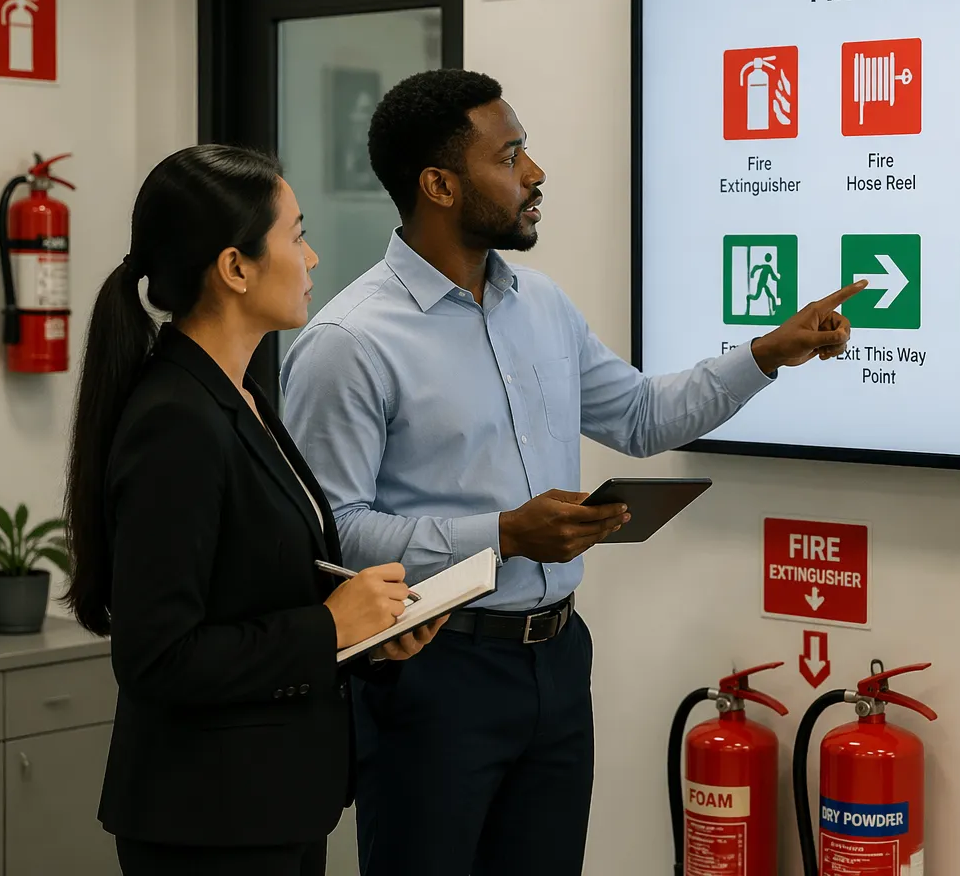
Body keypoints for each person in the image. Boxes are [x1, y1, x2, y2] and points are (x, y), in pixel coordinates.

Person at [279, 68, 860, 876]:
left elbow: (643, 418)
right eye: (510, 155)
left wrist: (766, 354)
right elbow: (329, 534)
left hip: (555, 658)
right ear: (440, 184)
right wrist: (506, 535)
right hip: (430, 673)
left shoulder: (540, 305)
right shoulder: (350, 341)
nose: (536, 173)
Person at [63, 145, 445, 876]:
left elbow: (255, 591)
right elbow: (158, 655)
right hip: (207, 820)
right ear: (235, 268)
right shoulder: (175, 417)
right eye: (296, 235)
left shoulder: (238, 395)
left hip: (272, 804)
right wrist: (329, 624)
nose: (314, 259)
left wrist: (366, 636)